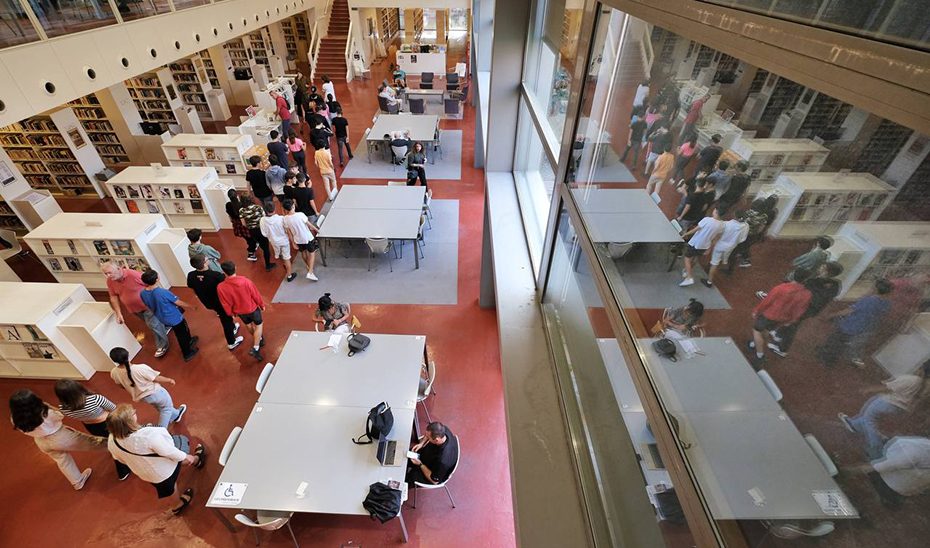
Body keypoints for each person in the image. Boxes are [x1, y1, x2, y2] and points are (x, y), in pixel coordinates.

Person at [106, 404, 205, 516]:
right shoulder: (149, 435)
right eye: (133, 413)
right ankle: (177, 505)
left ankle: (196, 462)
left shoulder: (111, 440)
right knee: (171, 485)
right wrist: (186, 456)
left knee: (168, 486)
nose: (135, 411)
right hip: (162, 470)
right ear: (130, 422)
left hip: (148, 473)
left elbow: (120, 460)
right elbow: (169, 450)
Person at [10, 389, 112, 489]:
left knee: (63, 461)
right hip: (60, 437)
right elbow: (61, 415)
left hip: (41, 442)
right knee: (92, 442)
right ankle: (116, 447)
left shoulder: (14, 419)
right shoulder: (45, 413)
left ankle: (77, 482)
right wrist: (49, 406)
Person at [839, 364, 929, 460]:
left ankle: (876, 451)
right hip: (898, 406)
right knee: (869, 416)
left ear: (922, 370)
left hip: (889, 402)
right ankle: (854, 425)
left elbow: (888, 387)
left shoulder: (913, 380)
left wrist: (869, 389)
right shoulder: (924, 384)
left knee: (870, 421)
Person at [768, 261, 844, 357]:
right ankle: (778, 335)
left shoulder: (815, 282)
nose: (820, 267)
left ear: (826, 271)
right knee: (790, 321)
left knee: (792, 326)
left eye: (823, 267)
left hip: (803, 308)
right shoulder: (835, 285)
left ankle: (782, 349)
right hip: (812, 309)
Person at [820, 278, 894, 368]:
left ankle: (827, 358)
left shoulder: (869, 300)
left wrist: (832, 314)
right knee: (842, 342)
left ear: (876, 289)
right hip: (864, 327)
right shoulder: (887, 303)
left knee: (836, 340)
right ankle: (830, 355)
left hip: (851, 324)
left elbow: (849, 310)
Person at [103, 261, 169, 358]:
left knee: (153, 325)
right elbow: (113, 297)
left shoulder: (133, 275)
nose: (108, 275)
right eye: (106, 274)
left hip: (147, 305)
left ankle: (162, 346)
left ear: (118, 268)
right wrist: (118, 313)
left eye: (110, 272)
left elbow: (151, 284)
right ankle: (166, 326)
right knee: (153, 324)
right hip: (134, 309)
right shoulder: (110, 281)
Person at [109, 346, 186, 428]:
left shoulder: (114, 372)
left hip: (142, 397)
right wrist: (169, 380)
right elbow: (156, 377)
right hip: (155, 392)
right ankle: (162, 431)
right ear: (127, 354)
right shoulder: (140, 368)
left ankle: (176, 415)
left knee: (161, 407)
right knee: (166, 408)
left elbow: (121, 385)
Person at [748, 267, 814, 364]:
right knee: (767, 330)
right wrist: (791, 320)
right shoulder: (807, 294)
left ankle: (760, 355)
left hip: (769, 314)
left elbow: (767, 301)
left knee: (757, 330)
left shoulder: (782, 287)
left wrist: (757, 311)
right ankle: (755, 343)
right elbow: (800, 310)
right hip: (783, 318)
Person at [848, 435, 930, 508]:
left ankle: (884, 494)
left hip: (891, 485)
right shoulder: (923, 446)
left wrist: (846, 471)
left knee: (872, 451)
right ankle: (889, 498)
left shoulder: (917, 451)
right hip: (905, 491)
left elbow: (870, 468)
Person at [139, 270, 199, 362]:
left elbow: (147, 304)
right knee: (181, 333)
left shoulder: (142, 293)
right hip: (174, 317)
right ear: (157, 279)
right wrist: (191, 306)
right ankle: (187, 352)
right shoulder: (162, 292)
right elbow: (177, 302)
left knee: (182, 330)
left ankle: (189, 340)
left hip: (162, 317)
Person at [187, 253, 244, 351]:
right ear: (205, 264)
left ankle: (233, 328)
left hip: (208, 303)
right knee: (226, 320)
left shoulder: (191, 275)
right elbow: (227, 289)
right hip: (221, 303)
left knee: (224, 316)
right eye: (206, 259)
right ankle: (231, 342)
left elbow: (192, 288)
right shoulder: (216, 276)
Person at [218, 260, 267, 361]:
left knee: (249, 325)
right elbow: (255, 294)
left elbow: (225, 303)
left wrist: (231, 313)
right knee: (259, 325)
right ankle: (256, 347)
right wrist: (262, 304)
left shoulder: (221, 287)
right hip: (252, 309)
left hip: (239, 312)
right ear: (235, 268)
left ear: (224, 272)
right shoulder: (245, 281)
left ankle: (259, 339)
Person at [701, 208, 749, 288]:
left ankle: (709, 281)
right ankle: (718, 265)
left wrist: (712, 244)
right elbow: (742, 239)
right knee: (722, 259)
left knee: (715, 263)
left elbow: (717, 235)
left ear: (734, 215)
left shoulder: (726, 224)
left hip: (720, 246)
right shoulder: (746, 226)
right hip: (731, 246)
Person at [679, 207, 724, 287]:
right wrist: (710, 248)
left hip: (696, 242)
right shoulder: (721, 225)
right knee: (696, 257)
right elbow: (716, 238)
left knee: (687, 258)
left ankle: (689, 277)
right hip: (705, 245)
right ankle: (687, 271)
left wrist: (686, 234)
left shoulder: (707, 220)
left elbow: (696, 229)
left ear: (716, 212)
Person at [726, 198, 770, 271]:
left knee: (738, 247)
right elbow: (760, 229)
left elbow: (742, 221)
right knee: (745, 246)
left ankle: (731, 265)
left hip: (745, 232)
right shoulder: (764, 216)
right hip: (753, 235)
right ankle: (744, 257)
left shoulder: (749, 213)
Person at [283, 199, 320, 281]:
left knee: (303, 252)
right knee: (312, 253)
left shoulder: (285, 219)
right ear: (293, 206)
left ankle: (308, 265)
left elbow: (289, 232)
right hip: (307, 237)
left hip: (298, 239)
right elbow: (309, 225)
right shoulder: (300, 215)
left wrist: (292, 242)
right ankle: (310, 272)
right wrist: (317, 231)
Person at [259, 201, 295, 282]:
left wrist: (271, 237)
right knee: (287, 258)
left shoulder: (262, 220)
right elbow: (287, 230)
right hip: (284, 241)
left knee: (280, 254)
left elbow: (263, 233)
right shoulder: (281, 219)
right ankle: (289, 275)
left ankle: (284, 263)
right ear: (275, 209)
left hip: (274, 242)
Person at [239, 194, 276, 271]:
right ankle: (268, 265)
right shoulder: (258, 208)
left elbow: (243, 224)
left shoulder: (241, 210)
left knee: (260, 243)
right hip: (261, 228)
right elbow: (264, 218)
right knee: (266, 247)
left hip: (252, 230)